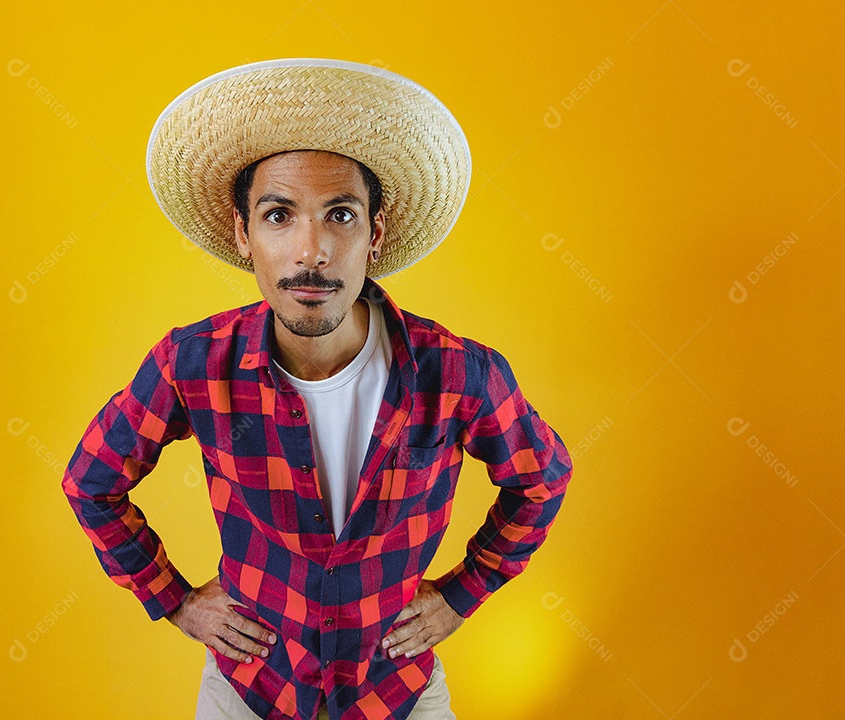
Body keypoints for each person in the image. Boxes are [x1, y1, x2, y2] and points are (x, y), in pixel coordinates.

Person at [62, 58, 573, 720]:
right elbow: (91, 483)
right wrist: (177, 601)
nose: (311, 250)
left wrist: (462, 593)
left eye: (339, 214)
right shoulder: (191, 365)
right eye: (279, 215)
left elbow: (543, 479)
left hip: (397, 692)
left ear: (375, 235)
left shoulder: (459, 375)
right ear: (243, 234)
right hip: (250, 690)